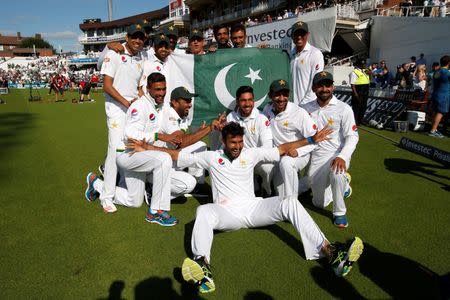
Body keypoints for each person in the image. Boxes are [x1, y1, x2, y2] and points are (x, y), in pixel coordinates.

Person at [126, 123, 364, 294]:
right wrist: (146, 147)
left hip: (253, 209)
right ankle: (202, 264)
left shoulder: (250, 154)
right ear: (224, 142)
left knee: (290, 201)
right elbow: (175, 155)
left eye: (240, 142)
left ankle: (330, 253)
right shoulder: (211, 157)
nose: (237, 146)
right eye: (233, 142)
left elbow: (282, 148)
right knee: (203, 211)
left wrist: (311, 140)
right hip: (227, 213)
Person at [84, 73, 179, 226]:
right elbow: (130, 133)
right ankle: (156, 211)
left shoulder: (159, 105)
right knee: (164, 159)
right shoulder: (140, 106)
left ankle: (96, 184)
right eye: (157, 90)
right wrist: (158, 136)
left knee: (134, 201)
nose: (161, 93)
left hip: (140, 155)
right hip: (127, 154)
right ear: (148, 89)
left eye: (164, 89)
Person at [98, 24, 147, 213]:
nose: (137, 41)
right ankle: (106, 196)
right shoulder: (115, 53)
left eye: (141, 38)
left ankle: (124, 185)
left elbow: (139, 88)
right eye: (134, 37)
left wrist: (143, 106)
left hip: (132, 110)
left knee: (131, 146)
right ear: (127, 37)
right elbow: (107, 86)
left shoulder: (140, 58)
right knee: (114, 150)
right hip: (117, 110)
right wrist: (127, 104)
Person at [302, 71, 359, 228]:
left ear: (333, 87)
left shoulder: (344, 109)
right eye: (320, 85)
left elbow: (352, 136)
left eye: (328, 85)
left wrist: (342, 156)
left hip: (337, 154)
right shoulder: (305, 109)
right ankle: (344, 185)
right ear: (314, 88)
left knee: (337, 172)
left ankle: (339, 212)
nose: (324, 89)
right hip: (317, 157)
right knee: (319, 203)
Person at [263, 79, 316, 199]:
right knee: (279, 194)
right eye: (277, 94)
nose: (281, 98)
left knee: (286, 163)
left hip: (298, 155)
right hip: (277, 155)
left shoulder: (299, 113)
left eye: (285, 94)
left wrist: (298, 152)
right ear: (270, 95)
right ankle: (306, 182)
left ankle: (292, 203)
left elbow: (315, 139)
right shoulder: (267, 109)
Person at [226, 86, 274, 196]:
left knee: (268, 168)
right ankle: (252, 185)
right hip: (239, 158)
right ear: (237, 102)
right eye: (243, 100)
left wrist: (250, 157)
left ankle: (266, 188)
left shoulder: (261, 118)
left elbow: (267, 147)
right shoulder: (231, 117)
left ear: (253, 100)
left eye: (250, 100)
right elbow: (227, 144)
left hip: (257, 157)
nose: (247, 104)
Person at [290, 21, 324, 106]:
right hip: (291, 107)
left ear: (308, 35)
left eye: (302, 34)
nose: (299, 37)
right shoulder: (290, 54)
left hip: (307, 106)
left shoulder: (315, 53)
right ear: (292, 36)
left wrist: (303, 106)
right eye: (296, 34)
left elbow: (316, 83)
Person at [428, 55, 450, 137]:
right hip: (443, 94)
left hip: (436, 93)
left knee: (435, 111)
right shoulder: (446, 72)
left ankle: (434, 129)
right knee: (440, 112)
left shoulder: (437, 71)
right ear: (448, 63)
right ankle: (433, 130)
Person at [349, 58, 370, 125]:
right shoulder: (354, 72)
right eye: (362, 64)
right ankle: (355, 121)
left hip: (365, 91)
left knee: (363, 107)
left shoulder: (365, 71)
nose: (364, 65)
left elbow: (368, 80)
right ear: (359, 65)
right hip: (358, 91)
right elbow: (352, 84)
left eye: (364, 64)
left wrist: (370, 73)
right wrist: (355, 94)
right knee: (356, 107)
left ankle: (360, 120)